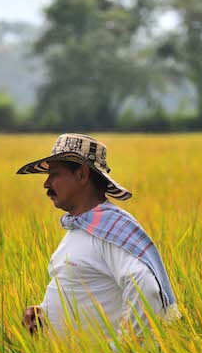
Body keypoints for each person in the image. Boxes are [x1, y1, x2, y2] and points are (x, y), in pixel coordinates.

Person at [17, 133, 179, 339]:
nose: (46, 184)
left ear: (83, 175)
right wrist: (43, 312)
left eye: (55, 174)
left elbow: (146, 289)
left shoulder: (112, 230)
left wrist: (122, 351)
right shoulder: (81, 228)